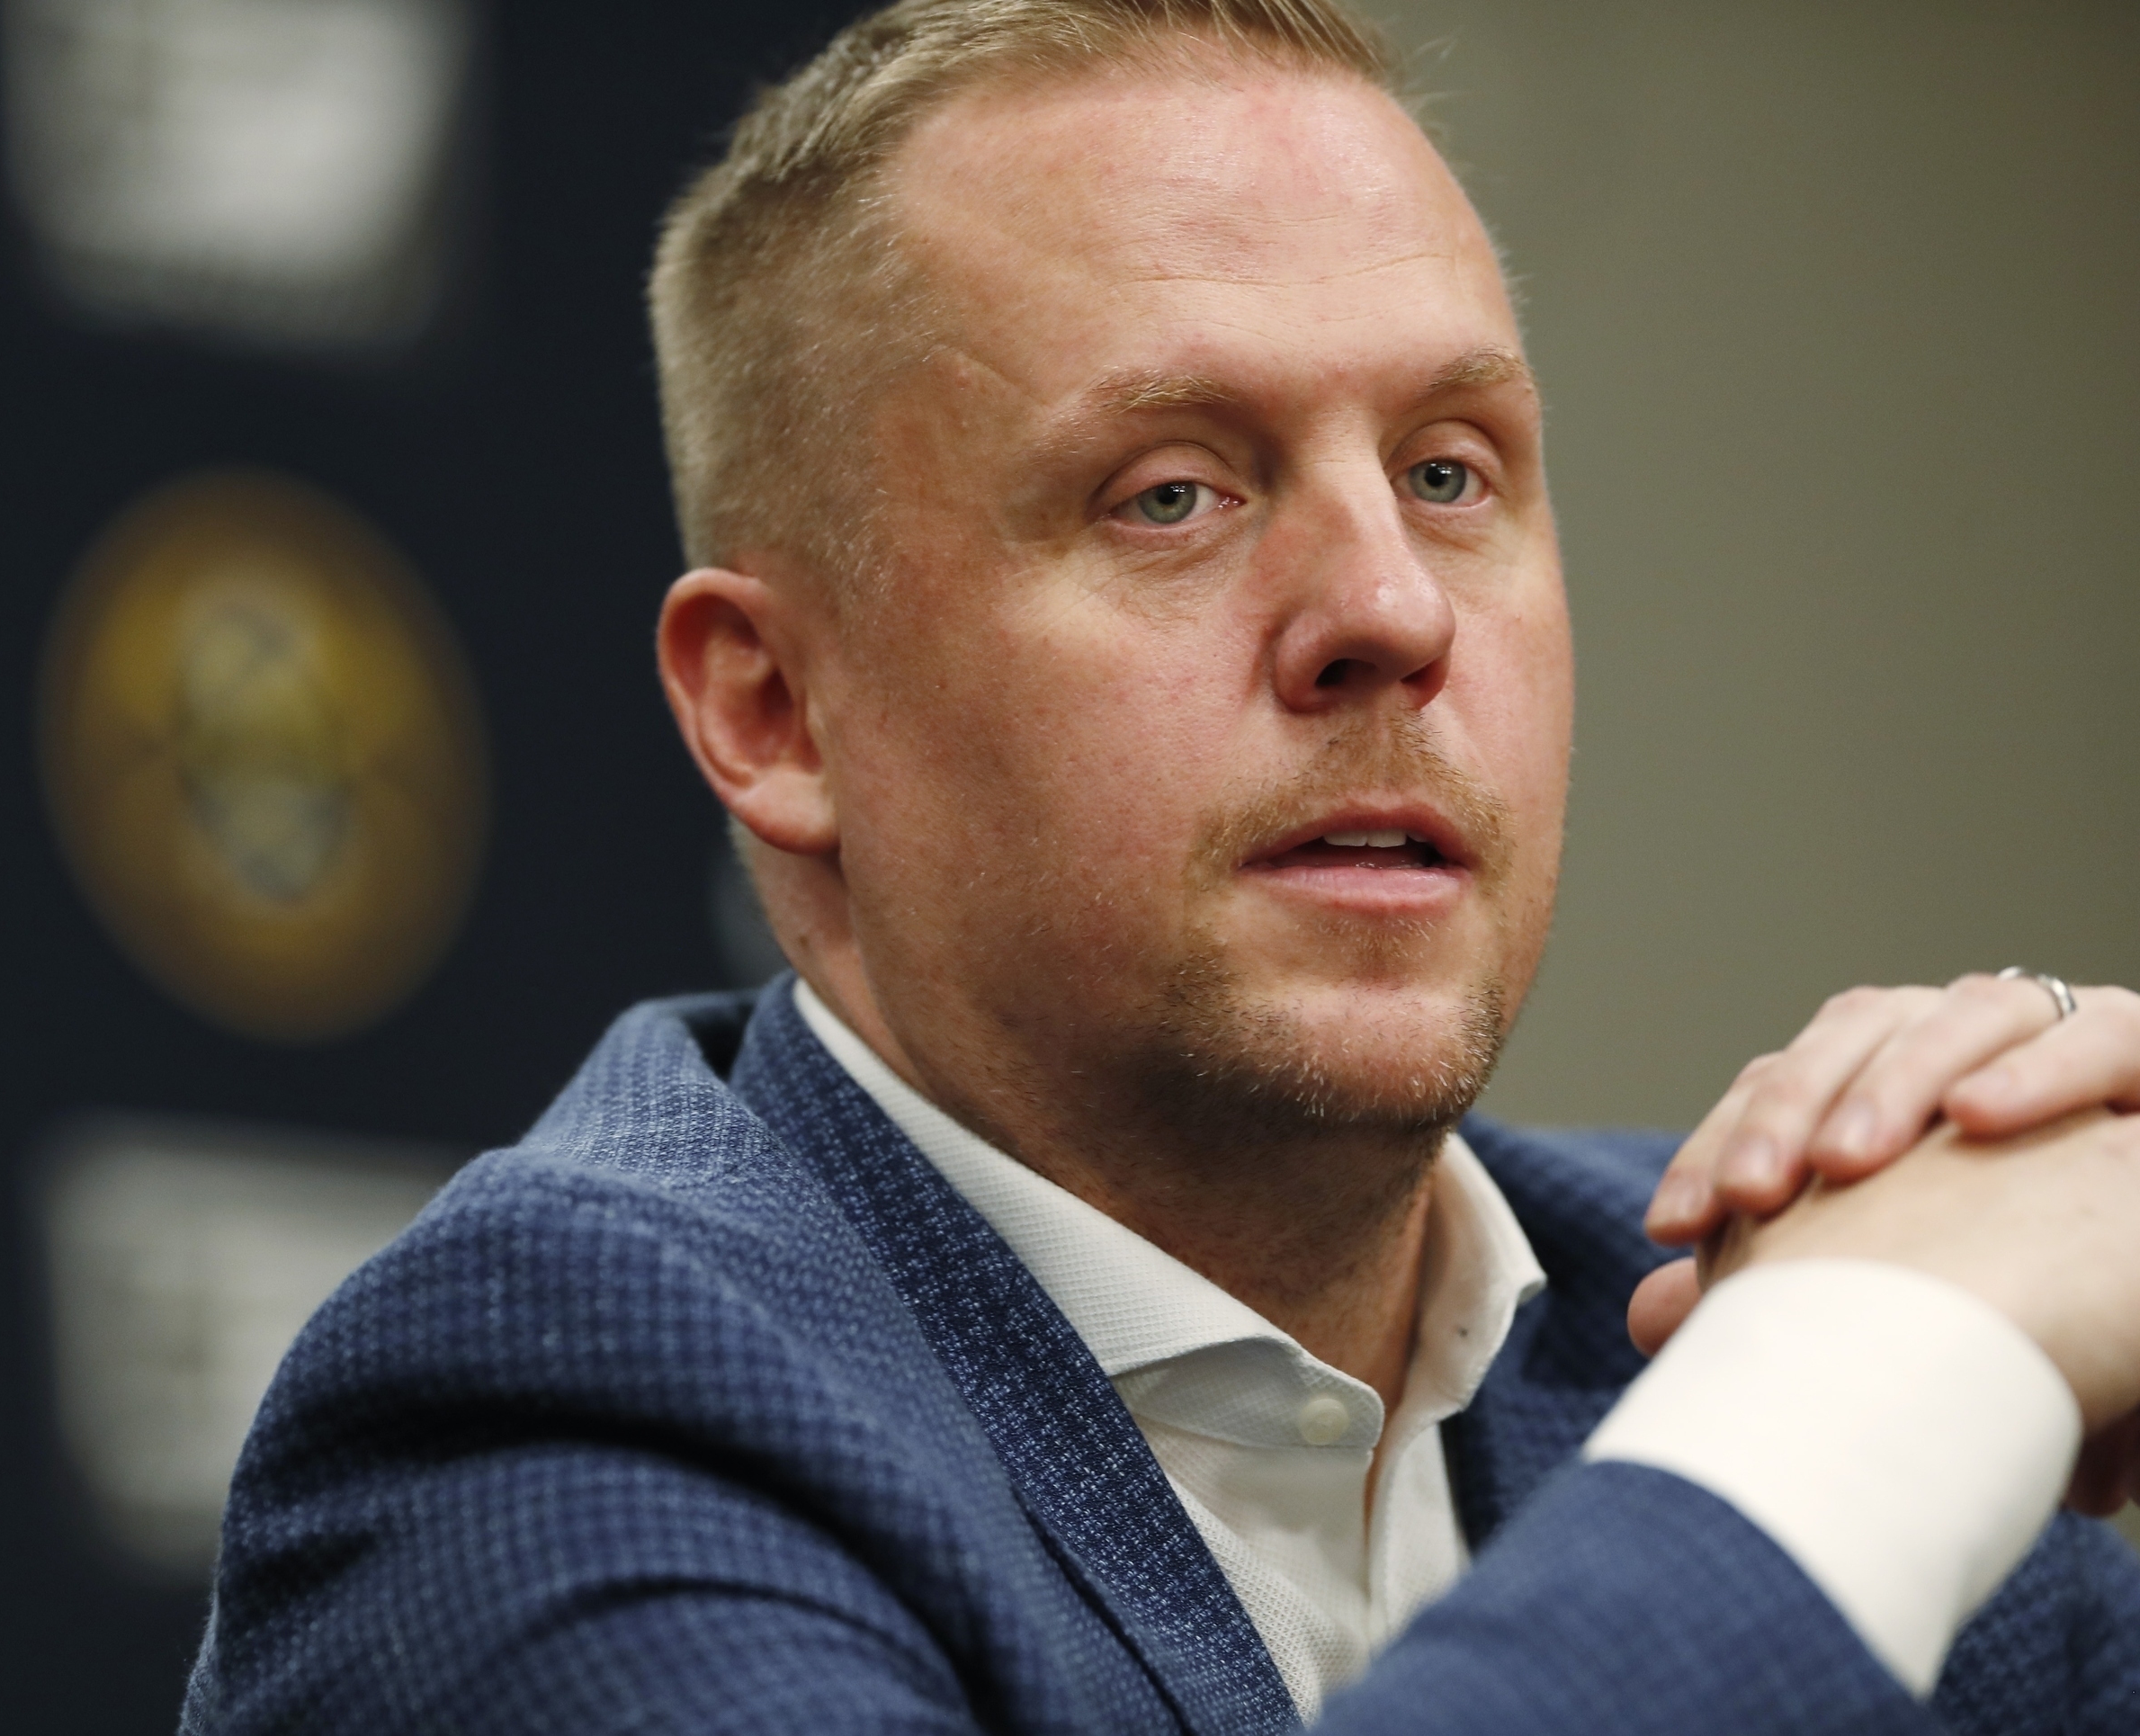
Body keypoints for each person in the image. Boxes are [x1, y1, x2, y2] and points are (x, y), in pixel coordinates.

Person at [184, 3, 2140, 1730]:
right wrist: (1875, 1381)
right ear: (777, 709)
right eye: (1175, 491)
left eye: (1452, 471)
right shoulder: (544, 1414)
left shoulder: (1717, 1300)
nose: (1388, 607)